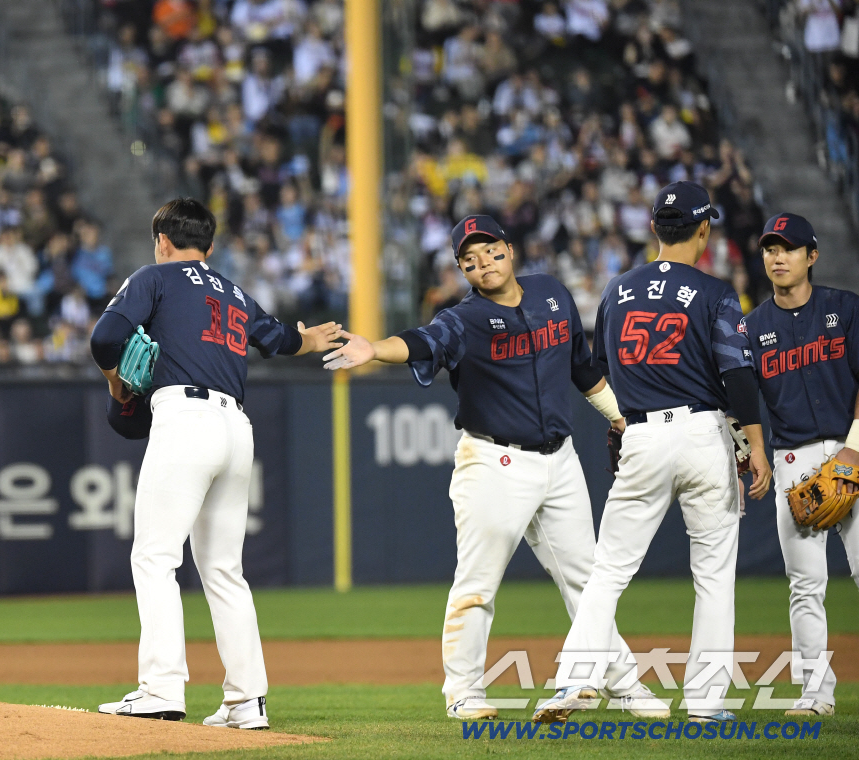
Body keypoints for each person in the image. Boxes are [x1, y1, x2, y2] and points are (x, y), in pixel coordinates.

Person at [322, 215, 667, 721]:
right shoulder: (464, 319)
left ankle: (622, 682)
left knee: (588, 582)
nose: (482, 262)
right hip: (493, 463)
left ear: (510, 248)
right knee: (478, 583)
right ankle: (462, 691)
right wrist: (375, 349)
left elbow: (584, 371)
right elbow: (422, 341)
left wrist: (620, 419)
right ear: (463, 270)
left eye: (489, 250)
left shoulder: (552, 293)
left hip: (560, 461)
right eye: (469, 259)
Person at [89, 198, 342, 728]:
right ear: (210, 245)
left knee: (155, 558)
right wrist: (312, 339)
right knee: (225, 571)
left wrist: (115, 379)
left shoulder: (154, 278)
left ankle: (160, 689)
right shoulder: (232, 290)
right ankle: (246, 700)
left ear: (162, 241)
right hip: (236, 429)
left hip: (184, 418)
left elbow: (105, 337)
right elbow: (278, 339)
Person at [534, 182, 771, 724]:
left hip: (641, 431)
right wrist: (754, 444)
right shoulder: (713, 293)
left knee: (608, 570)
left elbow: (602, 370)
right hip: (701, 432)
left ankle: (575, 680)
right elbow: (736, 372)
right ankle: (707, 703)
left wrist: (624, 430)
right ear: (704, 230)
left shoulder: (616, 290)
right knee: (712, 573)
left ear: (653, 230)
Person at [742, 213, 859, 717]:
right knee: (805, 585)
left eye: (788, 248)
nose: (778, 257)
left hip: (852, 448)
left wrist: (854, 451)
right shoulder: (752, 328)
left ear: (811, 256)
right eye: (771, 248)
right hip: (795, 463)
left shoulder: (846, 309)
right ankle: (815, 694)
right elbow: (739, 404)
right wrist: (756, 453)